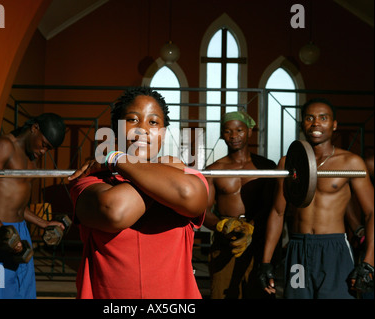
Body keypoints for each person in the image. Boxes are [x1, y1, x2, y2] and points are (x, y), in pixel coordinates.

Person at [68, 87, 209, 299]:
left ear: (162, 133)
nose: (142, 129)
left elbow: (187, 194)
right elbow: (116, 211)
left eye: (153, 122)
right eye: (133, 120)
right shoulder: (89, 181)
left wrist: (115, 158)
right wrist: (151, 168)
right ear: (116, 129)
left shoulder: (187, 176)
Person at [260, 98, 374, 299]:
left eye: (323, 118)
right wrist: (266, 261)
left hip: (334, 249)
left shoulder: (350, 162)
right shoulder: (288, 163)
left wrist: (368, 262)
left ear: (334, 124)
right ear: (302, 123)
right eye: (309, 118)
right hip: (298, 249)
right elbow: (278, 212)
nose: (316, 123)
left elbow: (372, 212)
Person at [0, 113, 67, 299]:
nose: (43, 151)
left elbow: (19, 207)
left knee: (22, 292)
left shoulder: (31, 157)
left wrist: (43, 224)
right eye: (44, 144)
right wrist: (1, 229)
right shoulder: (4, 146)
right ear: (34, 128)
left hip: (20, 232)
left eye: (49, 149)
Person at [203, 111, 278, 299]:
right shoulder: (214, 170)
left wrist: (250, 227)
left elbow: (272, 207)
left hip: (258, 243)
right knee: (222, 295)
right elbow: (203, 211)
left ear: (249, 132)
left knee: (258, 295)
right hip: (225, 242)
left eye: (239, 130)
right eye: (228, 131)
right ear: (222, 134)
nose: (234, 136)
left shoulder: (266, 167)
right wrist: (221, 226)